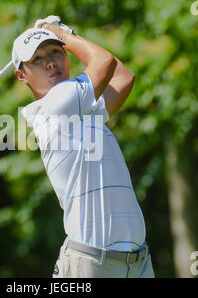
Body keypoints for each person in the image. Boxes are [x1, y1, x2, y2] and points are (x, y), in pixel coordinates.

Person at [12, 16, 154, 278]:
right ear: (21, 74)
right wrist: (61, 33)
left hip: (137, 261)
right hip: (92, 264)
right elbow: (105, 62)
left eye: (55, 51)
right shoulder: (56, 106)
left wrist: (64, 33)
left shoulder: (84, 110)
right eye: (37, 59)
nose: (50, 62)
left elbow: (123, 77)